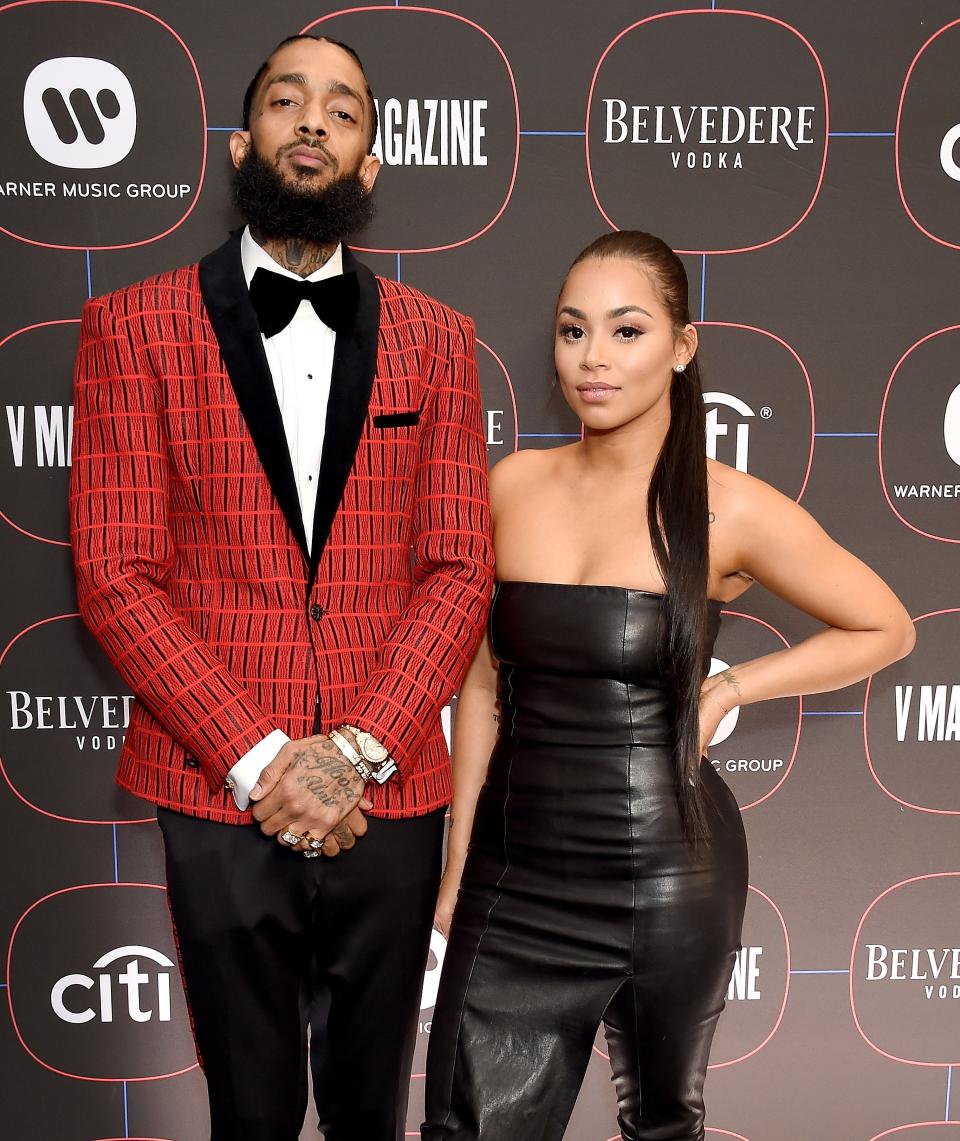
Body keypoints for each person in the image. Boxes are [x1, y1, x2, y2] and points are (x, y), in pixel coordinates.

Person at [69, 32, 493, 1141]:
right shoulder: (131, 327)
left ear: (370, 162)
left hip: (390, 790)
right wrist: (266, 760)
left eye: (343, 110)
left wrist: (354, 753)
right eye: (287, 100)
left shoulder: (443, 342)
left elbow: (459, 567)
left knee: (371, 1108)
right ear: (239, 141)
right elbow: (118, 571)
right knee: (248, 1109)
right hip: (217, 789)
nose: (313, 121)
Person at [421, 230, 915, 1141]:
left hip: (668, 876)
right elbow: (481, 686)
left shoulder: (727, 504)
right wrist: (457, 865)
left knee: (660, 1125)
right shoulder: (512, 486)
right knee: (464, 1126)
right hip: (513, 873)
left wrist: (733, 690)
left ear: (682, 348)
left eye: (627, 330)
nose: (594, 359)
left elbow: (886, 625)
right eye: (573, 332)